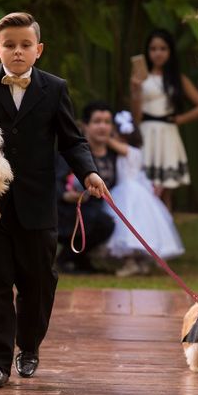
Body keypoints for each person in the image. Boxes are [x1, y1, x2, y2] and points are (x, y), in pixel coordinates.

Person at [0, 12, 109, 389]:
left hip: (37, 202)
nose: (17, 52)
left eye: (25, 45)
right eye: (10, 45)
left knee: (40, 281)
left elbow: (72, 139)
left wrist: (89, 172)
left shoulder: (55, 89)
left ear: (38, 50)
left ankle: (28, 347)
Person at [130, 29, 198, 210]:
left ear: (170, 52)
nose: (158, 53)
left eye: (163, 48)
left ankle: (166, 232)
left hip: (168, 133)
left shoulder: (177, 79)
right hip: (147, 132)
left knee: (166, 190)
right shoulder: (140, 78)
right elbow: (136, 117)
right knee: (145, 186)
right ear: (147, 52)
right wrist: (136, 90)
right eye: (153, 49)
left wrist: (180, 119)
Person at [105, 110, 185, 277]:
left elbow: (107, 141)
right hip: (132, 190)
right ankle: (137, 263)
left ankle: (132, 262)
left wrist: (99, 134)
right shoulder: (135, 151)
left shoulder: (129, 150)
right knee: (134, 226)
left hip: (129, 192)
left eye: (114, 132)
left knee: (129, 225)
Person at [56, 101, 117, 274]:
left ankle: (80, 260)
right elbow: (55, 182)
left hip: (96, 212)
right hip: (68, 211)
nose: (102, 127)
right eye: (97, 122)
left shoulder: (114, 155)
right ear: (84, 126)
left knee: (104, 221)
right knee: (100, 221)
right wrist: (66, 196)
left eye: (107, 122)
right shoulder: (73, 154)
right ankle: (65, 259)